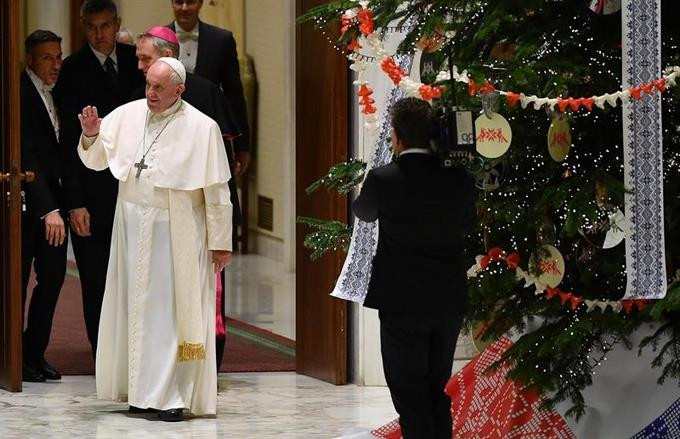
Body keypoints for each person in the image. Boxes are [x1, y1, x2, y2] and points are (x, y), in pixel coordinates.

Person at [77, 58, 233, 421]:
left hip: (176, 230)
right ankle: (140, 392)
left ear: (180, 89)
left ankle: (170, 396)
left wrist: (220, 241)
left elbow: (216, 191)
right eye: (148, 84)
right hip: (131, 225)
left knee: (168, 315)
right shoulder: (129, 114)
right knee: (134, 310)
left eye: (160, 88)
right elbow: (98, 160)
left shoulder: (202, 127)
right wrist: (90, 134)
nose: (151, 93)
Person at [352, 97, 476, 438]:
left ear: (396, 137)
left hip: (400, 298)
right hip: (446, 297)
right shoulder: (458, 179)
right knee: (437, 386)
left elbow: (363, 212)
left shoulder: (384, 179)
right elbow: (468, 223)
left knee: (409, 391)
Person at [133, 26, 242, 372]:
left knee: (201, 297)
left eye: (147, 61)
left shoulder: (205, 95)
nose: (143, 73)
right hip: (153, 220)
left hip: (194, 218)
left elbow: (218, 175)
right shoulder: (141, 103)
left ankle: (204, 368)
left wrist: (221, 233)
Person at [53, 0, 144, 358]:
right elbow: (66, 143)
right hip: (92, 191)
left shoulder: (137, 61)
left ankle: (135, 350)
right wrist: (74, 201)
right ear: (82, 26)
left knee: (135, 274)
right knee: (95, 277)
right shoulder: (72, 69)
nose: (99, 34)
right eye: (91, 26)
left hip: (135, 187)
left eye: (105, 26)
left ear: (117, 23)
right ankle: (102, 352)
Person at [20, 30, 67, 383]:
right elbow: (26, 156)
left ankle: (34, 352)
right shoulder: (18, 94)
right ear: (30, 61)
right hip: (26, 208)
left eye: (58, 56)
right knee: (17, 284)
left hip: (56, 206)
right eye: (47, 58)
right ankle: (14, 358)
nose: (55, 64)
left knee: (52, 279)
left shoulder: (59, 93)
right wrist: (47, 209)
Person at [167, 0, 251, 176]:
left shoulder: (222, 40)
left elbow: (234, 95)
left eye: (190, 2)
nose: (184, 8)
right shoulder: (158, 39)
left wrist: (242, 146)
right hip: (169, 137)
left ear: (200, 3)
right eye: (178, 2)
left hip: (212, 135)